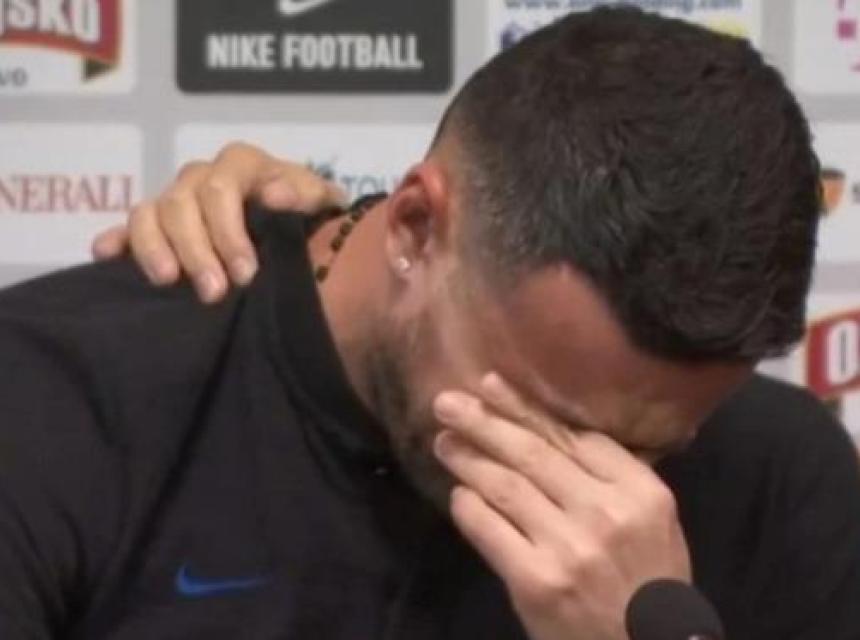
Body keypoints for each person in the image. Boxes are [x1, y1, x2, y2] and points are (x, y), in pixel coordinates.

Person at [2, 6, 859, 639]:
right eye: (547, 419)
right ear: (415, 228)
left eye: (654, 451)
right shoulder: (57, 404)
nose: (597, 496)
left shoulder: (783, 477)